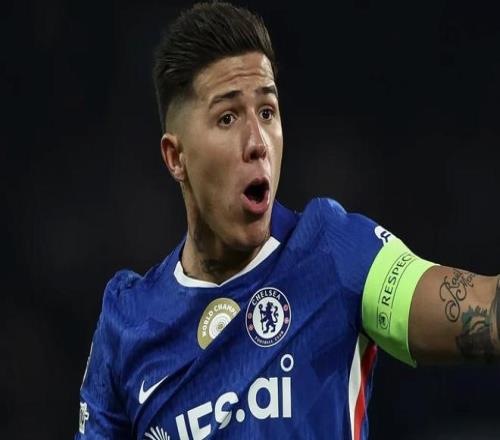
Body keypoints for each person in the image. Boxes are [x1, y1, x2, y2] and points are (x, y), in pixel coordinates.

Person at [75, 2, 499, 439]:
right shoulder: (128, 322)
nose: (257, 142)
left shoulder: (334, 253)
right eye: (227, 118)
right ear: (175, 157)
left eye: (267, 112)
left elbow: (483, 310)